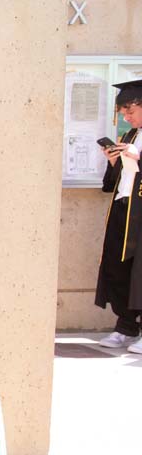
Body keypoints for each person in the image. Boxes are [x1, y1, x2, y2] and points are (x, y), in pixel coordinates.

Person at [94, 79, 142, 351]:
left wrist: (138, 157)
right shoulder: (128, 137)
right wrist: (114, 162)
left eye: (130, 110)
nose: (126, 117)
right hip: (124, 209)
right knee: (117, 267)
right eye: (123, 112)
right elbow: (114, 183)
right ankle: (126, 325)